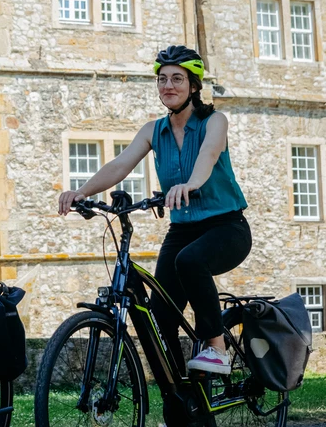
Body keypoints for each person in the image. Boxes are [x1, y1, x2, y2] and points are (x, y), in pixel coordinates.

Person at [56, 45, 252, 381]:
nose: (168, 86)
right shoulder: (154, 130)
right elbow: (120, 163)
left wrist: (190, 184)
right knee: (161, 319)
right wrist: (82, 192)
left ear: (193, 86)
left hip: (226, 227)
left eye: (177, 79)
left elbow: (209, 154)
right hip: (183, 230)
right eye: (162, 79)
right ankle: (184, 407)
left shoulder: (214, 121)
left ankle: (218, 348)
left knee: (190, 261)